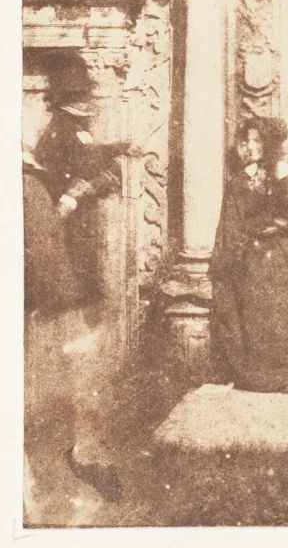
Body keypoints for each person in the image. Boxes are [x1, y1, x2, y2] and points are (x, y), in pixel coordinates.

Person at [23, 53, 123, 522]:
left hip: (83, 240)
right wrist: (72, 192)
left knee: (82, 347)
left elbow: (107, 176)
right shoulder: (55, 137)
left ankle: (80, 447)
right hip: (63, 248)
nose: (86, 104)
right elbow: (53, 190)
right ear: (63, 103)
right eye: (77, 98)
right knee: (70, 347)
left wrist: (87, 185)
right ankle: (69, 454)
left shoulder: (80, 132)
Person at [209, 116, 288, 392]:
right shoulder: (241, 181)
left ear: (271, 143)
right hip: (252, 253)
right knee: (254, 294)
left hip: (285, 254)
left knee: (284, 305)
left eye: (257, 140)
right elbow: (231, 223)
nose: (250, 146)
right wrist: (239, 250)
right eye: (247, 140)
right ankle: (259, 376)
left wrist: (282, 227)